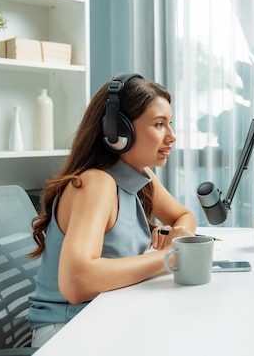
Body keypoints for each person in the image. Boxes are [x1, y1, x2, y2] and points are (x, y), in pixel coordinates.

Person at [27, 73, 197, 347]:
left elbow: (183, 215)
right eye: (159, 124)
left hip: (107, 317)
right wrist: (169, 257)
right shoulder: (96, 184)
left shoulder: (140, 177)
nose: (172, 136)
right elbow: (77, 282)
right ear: (117, 131)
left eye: (170, 124)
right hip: (68, 332)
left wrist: (180, 233)